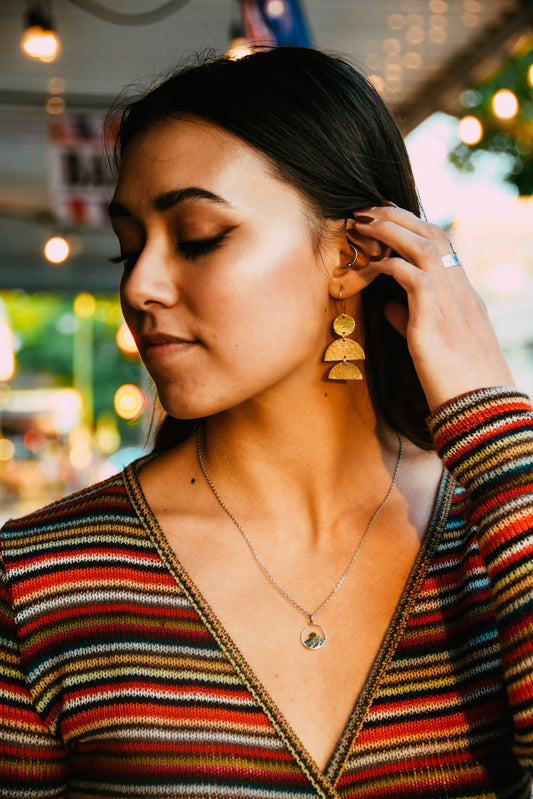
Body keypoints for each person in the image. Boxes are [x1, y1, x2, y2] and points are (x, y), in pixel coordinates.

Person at [1, 46, 532, 799]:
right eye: (128, 247)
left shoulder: (496, 535)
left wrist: (491, 421)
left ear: (354, 255)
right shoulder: (35, 580)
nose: (141, 286)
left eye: (197, 236)